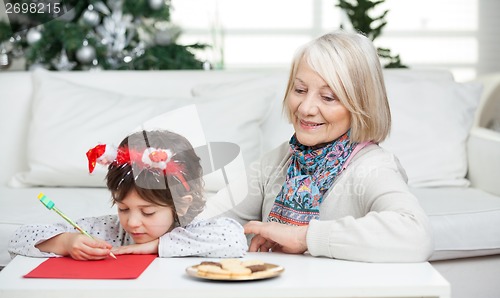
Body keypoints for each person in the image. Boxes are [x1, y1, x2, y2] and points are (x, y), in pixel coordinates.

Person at [205, 30, 433, 263]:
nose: (305, 108)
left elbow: (417, 235)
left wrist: (304, 237)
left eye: (328, 97)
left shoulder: (373, 167)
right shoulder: (278, 160)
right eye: (300, 90)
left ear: (361, 105)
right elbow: (204, 219)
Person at [8, 130, 247, 260]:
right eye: (123, 208)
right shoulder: (110, 231)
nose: (132, 222)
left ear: (181, 205)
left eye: (148, 211)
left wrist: (154, 246)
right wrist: (66, 242)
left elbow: (235, 238)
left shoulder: (196, 231)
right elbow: (18, 238)